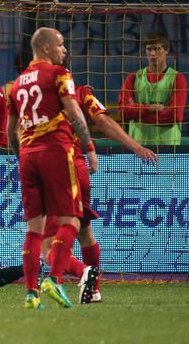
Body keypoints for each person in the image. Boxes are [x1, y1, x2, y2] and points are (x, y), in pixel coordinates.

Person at [7, 27, 98, 309]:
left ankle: (31, 293)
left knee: (34, 230)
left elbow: (11, 132)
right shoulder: (59, 74)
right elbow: (74, 112)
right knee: (71, 220)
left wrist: (22, 155)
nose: (65, 50)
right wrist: (90, 147)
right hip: (56, 151)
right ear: (46, 47)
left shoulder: (16, 84)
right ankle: (55, 279)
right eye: (61, 45)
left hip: (28, 154)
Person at [42, 85, 158, 304]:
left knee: (47, 247)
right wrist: (135, 147)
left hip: (56, 168)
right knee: (85, 234)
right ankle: (94, 291)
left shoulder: (37, 94)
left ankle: (84, 271)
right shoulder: (81, 92)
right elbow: (103, 120)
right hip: (79, 167)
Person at [118, 30, 188, 145]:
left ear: (166, 50)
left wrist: (137, 115)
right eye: (149, 49)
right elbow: (123, 111)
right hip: (138, 148)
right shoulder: (133, 77)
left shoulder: (177, 78)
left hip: (168, 148)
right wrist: (150, 108)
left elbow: (175, 115)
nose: (153, 54)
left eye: (157, 49)